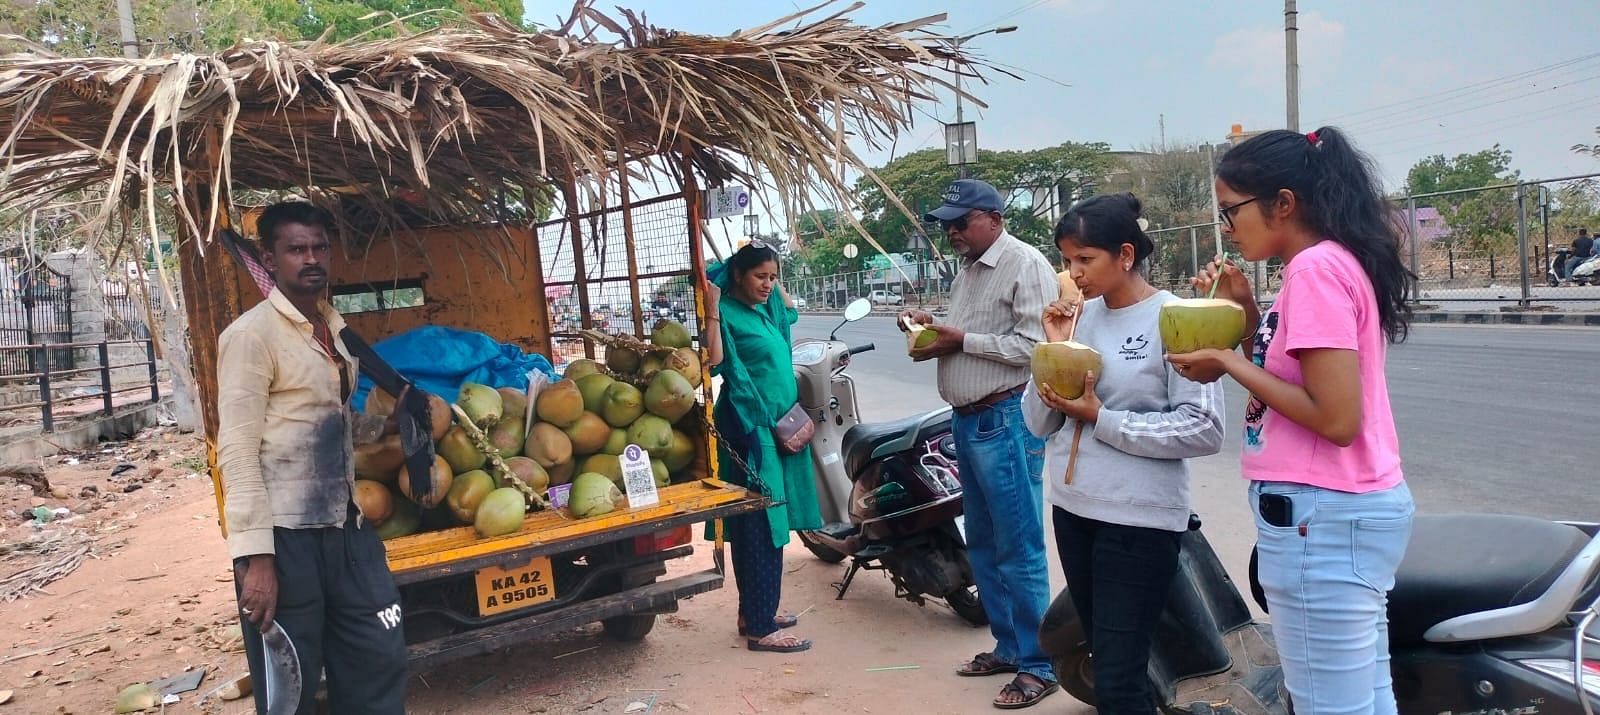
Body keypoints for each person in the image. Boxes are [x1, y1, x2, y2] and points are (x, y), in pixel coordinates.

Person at [1166, 127, 1416, 715]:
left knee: (1329, 704)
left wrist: (1227, 360)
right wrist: (1248, 318)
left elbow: (1335, 419)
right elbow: (1294, 384)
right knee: (1365, 695)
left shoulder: (1314, 271)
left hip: (1320, 516)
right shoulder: (1328, 264)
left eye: (1232, 211)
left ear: (1284, 203)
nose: (1227, 227)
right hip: (1342, 510)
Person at [1023, 193, 1224, 714]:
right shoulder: (1077, 320)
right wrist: (1053, 351)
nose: (1074, 273)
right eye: (1068, 260)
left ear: (1126, 255)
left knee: (1117, 675)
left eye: (1085, 259)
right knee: (1110, 661)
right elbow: (1039, 421)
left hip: (1137, 522)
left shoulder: (1176, 318)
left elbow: (1202, 429)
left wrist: (1101, 419)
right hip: (1074, 512)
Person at [217, 201, 408, 715]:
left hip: (347, 529)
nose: (310, 258)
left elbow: (326, 421)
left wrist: (385, 428)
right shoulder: (250, 337)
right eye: (296, 249)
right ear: (271, 259)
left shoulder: (332, 330)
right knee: (292, 684)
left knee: (378, 657)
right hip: (286, 539)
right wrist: (257, 558)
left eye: (319, 247)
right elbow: (236, 451)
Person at [900, 179, 1059, 710]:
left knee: (1019, 546)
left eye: (961, 222)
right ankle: (1010, 648)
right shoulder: (970, 271)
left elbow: (1035, 347)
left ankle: (1040, 664)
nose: (951, 231)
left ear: (993, 217)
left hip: (1006, 418)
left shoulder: (1024, 263)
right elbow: (969, 335)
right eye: (947, 223)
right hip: (969, 422)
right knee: (986, 544)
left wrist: (959, 340)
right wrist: (932, 330)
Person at [702, 240, 822, 653]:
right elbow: (714, 360)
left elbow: (790, 310)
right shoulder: (728, 314)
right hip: (751, 428)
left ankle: (754, 612)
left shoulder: (764, 310)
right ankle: (761, 628)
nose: (769, 285)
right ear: (738, 275)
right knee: (761, 526)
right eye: (760, 276)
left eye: (774, 277)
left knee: (760, 522)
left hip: (775, 427)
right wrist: (715, 301)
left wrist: (763, 258)